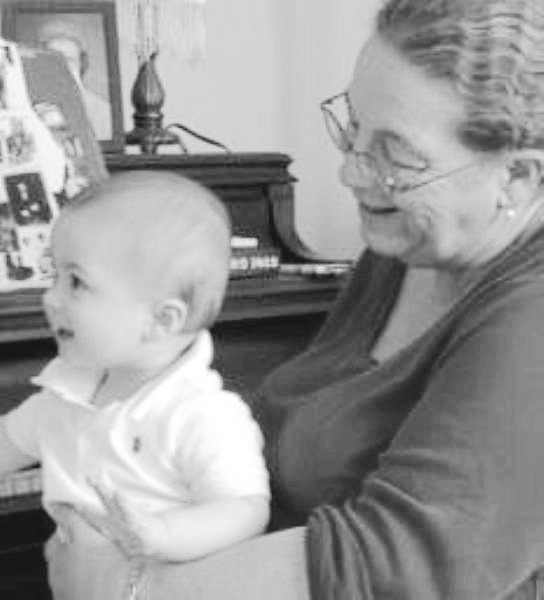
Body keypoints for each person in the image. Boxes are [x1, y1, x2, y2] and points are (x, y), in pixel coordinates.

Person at [18, 0, 544, 598]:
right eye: (353, 129)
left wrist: (127, 586)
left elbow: (396, 567)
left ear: (517, 177)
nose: (350, 174)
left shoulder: (531, 319)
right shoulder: (407, 251)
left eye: (397, 154)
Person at [0, 171, 270, 598]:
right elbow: (8, 442)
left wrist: (163, 533)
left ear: (161, 320)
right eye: (54, 276)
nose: (50, 298)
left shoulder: (202, 413)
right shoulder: (64, 392)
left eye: (76, 282)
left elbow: (245, 509)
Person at [42, 33, 112, 141]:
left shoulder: (103, 111)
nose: (61, 66)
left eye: (69, 60)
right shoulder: (25, 106)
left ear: (82, 65)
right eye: (52, 60)